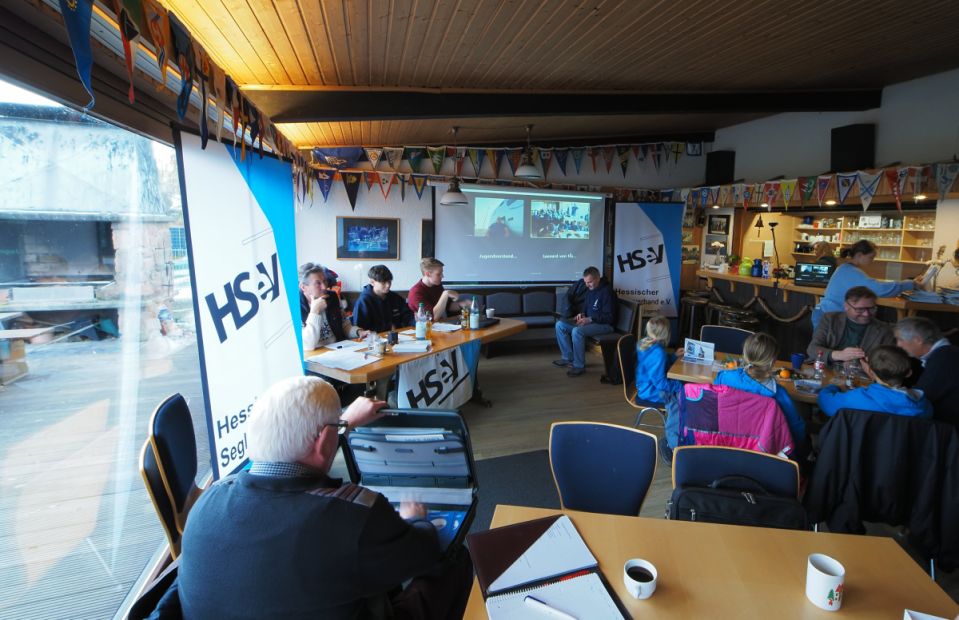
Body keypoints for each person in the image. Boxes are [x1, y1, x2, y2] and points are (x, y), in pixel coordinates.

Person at [178, 376, 472, 619]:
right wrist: (415, 521)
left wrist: (340, 424)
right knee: (454, 560)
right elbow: (422, 551)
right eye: (337, 429)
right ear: (323, 440)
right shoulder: (352, 518)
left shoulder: (204, 506)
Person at [714, 332, 806, 447]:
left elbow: (714, 407)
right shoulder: (777, 393)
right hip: (761, 451)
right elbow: (796, 429)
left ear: (744, 354)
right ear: (772, 361)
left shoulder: (723, 377)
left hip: (722, 444)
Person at [811, 240, 917, 329]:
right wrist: (910, 284)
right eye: (871, 257)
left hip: (825, 313)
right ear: (859, 255)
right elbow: (880, 289)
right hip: (829, 317)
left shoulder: (844, 268)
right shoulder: (851, 271)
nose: (872, 261)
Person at [817, 345, 932, 418]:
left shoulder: (858, 398)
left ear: (871, 372)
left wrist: (833, 387)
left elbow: (825, 401)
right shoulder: (924, 406)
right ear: (908, 373)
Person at [894, 316, 959, 426]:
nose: (898, 345)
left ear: (918, 340)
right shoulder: (944, 354)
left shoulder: (944, 358)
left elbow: (918, 401)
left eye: (900, 339)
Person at [553, 266, 616, 377]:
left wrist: (590, 319)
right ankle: (568, 358)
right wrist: (582, 315)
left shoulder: (607, 292)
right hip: (591, 323)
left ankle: (579, 366)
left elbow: (609, 317)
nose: (587, 285)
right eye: (586, 282)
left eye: (590, 282)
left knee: (577, 331)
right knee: (560, 325)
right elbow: (586, 309)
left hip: (605, 325)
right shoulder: (590, 291)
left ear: (597, 278)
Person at [806, 286, 895, 363]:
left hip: (862, 376)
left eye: (871, 309)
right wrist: (839, 355)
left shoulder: (884, 331)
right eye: (860, 309)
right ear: (846, 306)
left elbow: (886, 363)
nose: (866, 314)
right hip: (825, 368)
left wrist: (859, 364)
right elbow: (812, 349)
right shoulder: (830, 319)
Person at [299, 262, 368, 351]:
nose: (324, 287)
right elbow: (308, 345)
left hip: (338, 349)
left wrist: (358, 332)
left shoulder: (332, 297)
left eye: (324, 281)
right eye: (318, 283)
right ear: (303, 287)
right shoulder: (296, 308)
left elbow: (345, 325)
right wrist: (314, 312)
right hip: (314, 355)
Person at [353, 264, 414, 333]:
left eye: (389, 281)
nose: (388, 285)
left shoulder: (395, 297)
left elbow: (407, 315)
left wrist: (415, 322)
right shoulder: (363, 301)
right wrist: (388, 327)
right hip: (373, 339)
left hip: (399, 336)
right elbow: (361, 328)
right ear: (372, 282)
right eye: (383, 282)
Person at [634, 316, 681, 404]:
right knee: (686, 397)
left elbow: (658, 364)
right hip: (652, 392)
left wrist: (674, 356)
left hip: (645, 387)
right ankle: (674, 418)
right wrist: (680, 386)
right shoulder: (658, 352)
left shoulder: (645, 343)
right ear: (666, 333)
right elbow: (660, 383)